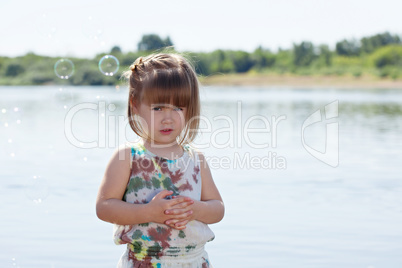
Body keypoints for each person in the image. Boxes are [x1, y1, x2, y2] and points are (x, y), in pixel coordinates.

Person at [96, 53, 225, 268]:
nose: (168, 118)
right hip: (143, 260)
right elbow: (104, 207)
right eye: (158, 108)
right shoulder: (128, 157)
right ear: (135, 104)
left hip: (192, 262)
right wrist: (148, 212)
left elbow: (217, 208)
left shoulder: (195, 159)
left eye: (178, 108)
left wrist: (195, 209)